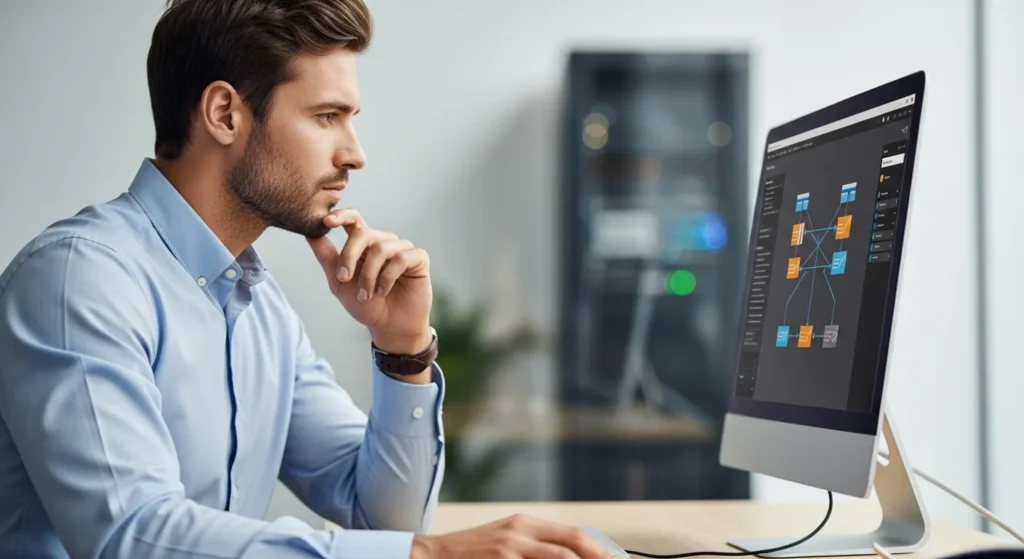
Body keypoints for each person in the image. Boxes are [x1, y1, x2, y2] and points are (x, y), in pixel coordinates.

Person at [0, 1, 611, 558]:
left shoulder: (258, 307)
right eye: (327, 116)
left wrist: (403, 351)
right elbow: (128, 535)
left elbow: (382, 519)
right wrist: (428, 556)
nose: (354, 153)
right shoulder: (78, 279)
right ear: (224, 114)